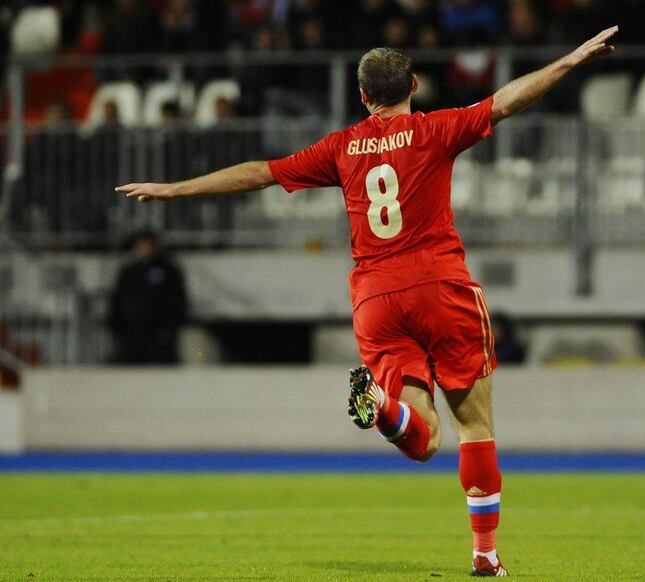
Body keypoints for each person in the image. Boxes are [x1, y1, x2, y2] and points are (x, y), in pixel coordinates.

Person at [116, 27, 618, 576]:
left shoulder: (340, 147)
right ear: (415, 86)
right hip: (438, 285)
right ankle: (484, 554)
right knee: (474, 425)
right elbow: (504, 102)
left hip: (375, 298)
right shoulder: (435, 129)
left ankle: (384, 410)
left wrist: (173, 189)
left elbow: (261, 173)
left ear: (362, 96)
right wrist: (567, 61)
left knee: (421, 437)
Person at [109, 230, 188, 365]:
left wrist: (168, 330)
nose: (143, 250)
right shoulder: (129, 273)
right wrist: (117, 327)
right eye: (140, 246)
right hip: (132, 337)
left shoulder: (169, 272)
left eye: (146, 246)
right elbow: (117, 302)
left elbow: (176, 302)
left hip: (159, 339)